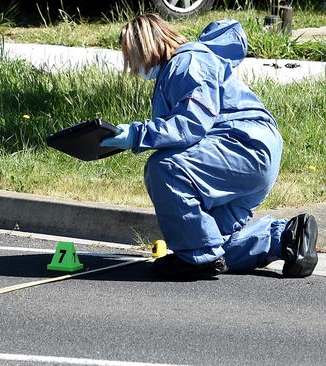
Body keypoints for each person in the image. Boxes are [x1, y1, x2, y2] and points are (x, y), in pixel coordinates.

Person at [100, 14, 318, 279]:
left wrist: (135, 134)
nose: (132, 65)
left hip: (242, 147)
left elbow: (190, 124)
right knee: (212, 242)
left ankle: (195, 259)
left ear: (144, 47)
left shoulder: (187, 62)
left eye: (130, 56)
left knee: (164, 168)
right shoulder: (182, 66)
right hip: (251, 154)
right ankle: (287, 237)